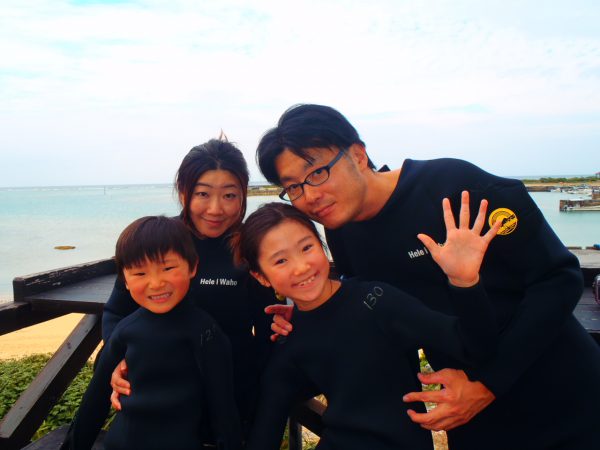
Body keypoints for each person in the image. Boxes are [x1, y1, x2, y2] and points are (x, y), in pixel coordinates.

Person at [256, 104, 600, 450]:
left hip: (562, 393)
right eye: (294, 187)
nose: (310, 195)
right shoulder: (342, 231)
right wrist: (311, 315)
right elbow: (373, 313)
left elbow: (559, 277)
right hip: (470, 412)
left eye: (317, 173)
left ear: (358, 155)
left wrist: (488, 384)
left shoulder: (454, 187)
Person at [232, 200, 499, 450]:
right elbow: (268, 424)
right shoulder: (289, 338)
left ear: (322, 245)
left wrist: (465, 282)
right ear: (260, 276)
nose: (301, 267)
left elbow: (473, 345)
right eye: (281, 260)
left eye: (306, 248)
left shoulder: (377, 301)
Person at [103, 137, 274, 441]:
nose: (215, 209)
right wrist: (119, 361)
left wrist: (264, 404)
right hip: (163, 397)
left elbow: (267, 330)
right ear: (184, 191)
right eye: (202, 194)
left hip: (232, 396)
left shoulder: (252, 247)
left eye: (229, 195)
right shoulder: (158, 241)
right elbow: (116, 312)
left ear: (243, 195)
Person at [61, 216, 241, 450]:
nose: (156, 283)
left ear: (192, 267)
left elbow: (223, 408)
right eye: (140, 273)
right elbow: (94, 402)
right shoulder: (125, 330)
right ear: (125, 280)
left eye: (168, 268)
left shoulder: (205, 332)